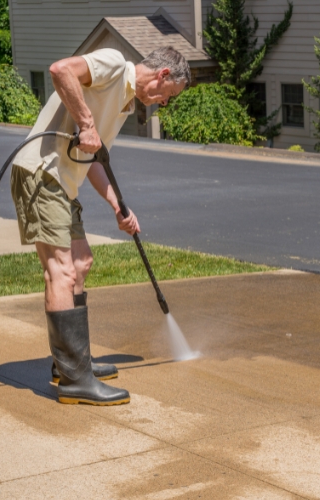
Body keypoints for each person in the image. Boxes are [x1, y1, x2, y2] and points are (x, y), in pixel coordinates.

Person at [10, 46, 190, 405]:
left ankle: (72, 362)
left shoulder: (123, 102)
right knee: (61, 271)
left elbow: (91, 156)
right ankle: (76, 379)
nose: (162, 104)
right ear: (162, 76)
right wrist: (87, 124)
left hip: (62, 182)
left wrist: (117, 207)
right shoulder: (113, 64)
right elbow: (60, 69)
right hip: (42, 174)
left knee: (80, 263)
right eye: (167, 97)